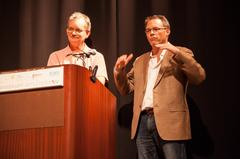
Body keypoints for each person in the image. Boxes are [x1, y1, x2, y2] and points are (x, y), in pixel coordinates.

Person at [113, 15, 206, 159]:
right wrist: (119, 72)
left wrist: (176, 52)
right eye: (148, 30)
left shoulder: (180, 53)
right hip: (142, 122)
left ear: (167, 31)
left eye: (156, 29)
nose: (151, 33)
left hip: (170, 121)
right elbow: (126, 89)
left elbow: (199, 77)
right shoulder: (140, 60)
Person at [47, 12, 108, 85]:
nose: (73, 33)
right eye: (70, 29)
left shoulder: (96, 57)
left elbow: (99, 86)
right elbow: (51, 85)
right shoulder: (55, 57)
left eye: (78, 30)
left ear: (87, 33)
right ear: (66, 31)